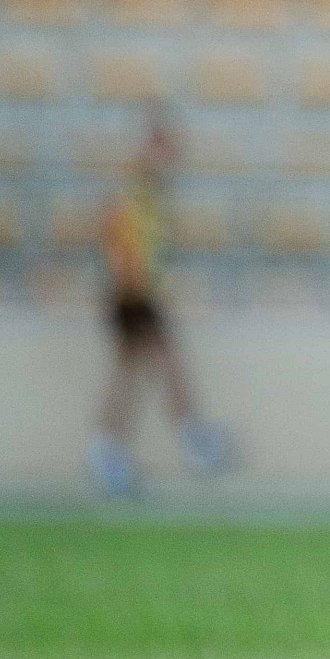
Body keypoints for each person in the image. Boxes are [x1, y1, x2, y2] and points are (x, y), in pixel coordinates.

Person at [88, 110, 232, 496]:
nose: (170, 158)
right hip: (133, 293)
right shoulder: (136, 186)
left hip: (138, 290)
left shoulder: (149, 190)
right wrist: (129, 280)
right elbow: (115, 229)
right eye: (164, 148)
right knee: (164, 364)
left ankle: (110, 454)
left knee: (135, 372)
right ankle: (193, 441)